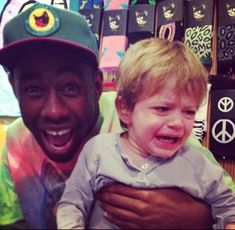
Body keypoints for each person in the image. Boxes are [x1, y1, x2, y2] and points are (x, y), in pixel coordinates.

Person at [0, 2, 234, 229]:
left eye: (70, 88)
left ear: (97, 84)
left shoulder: (150, 122)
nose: (54, 111)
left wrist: (195, 218)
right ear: (14, 87)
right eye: (33, 89)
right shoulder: (15, 143)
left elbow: (224, 200)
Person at [56, 38, 235, 229]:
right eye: (162, 109)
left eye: (189, 112)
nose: (177, 123)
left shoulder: (197, 164)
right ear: (125, 108)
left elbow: (229, 209)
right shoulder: (98, 152)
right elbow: (72, 204)